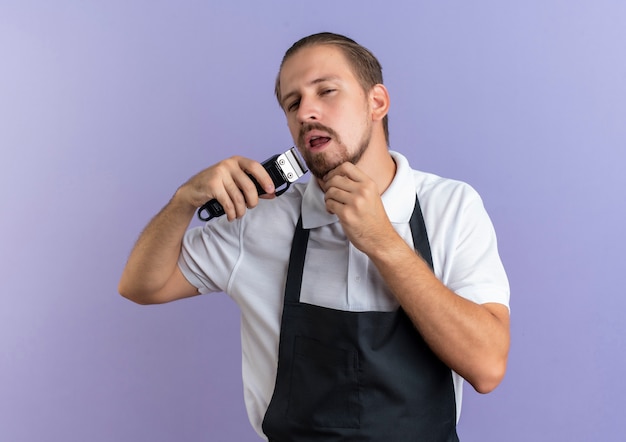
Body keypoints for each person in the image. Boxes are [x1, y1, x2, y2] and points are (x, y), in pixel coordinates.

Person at [119, 32, 510, 441]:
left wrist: (383, 242)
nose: (307, 111)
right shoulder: (259, 221)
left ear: (376, 102)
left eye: (326, 91)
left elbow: (486, 366)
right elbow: (141, 285)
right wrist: (185, 200)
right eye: (293, 103)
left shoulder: (451, 207)